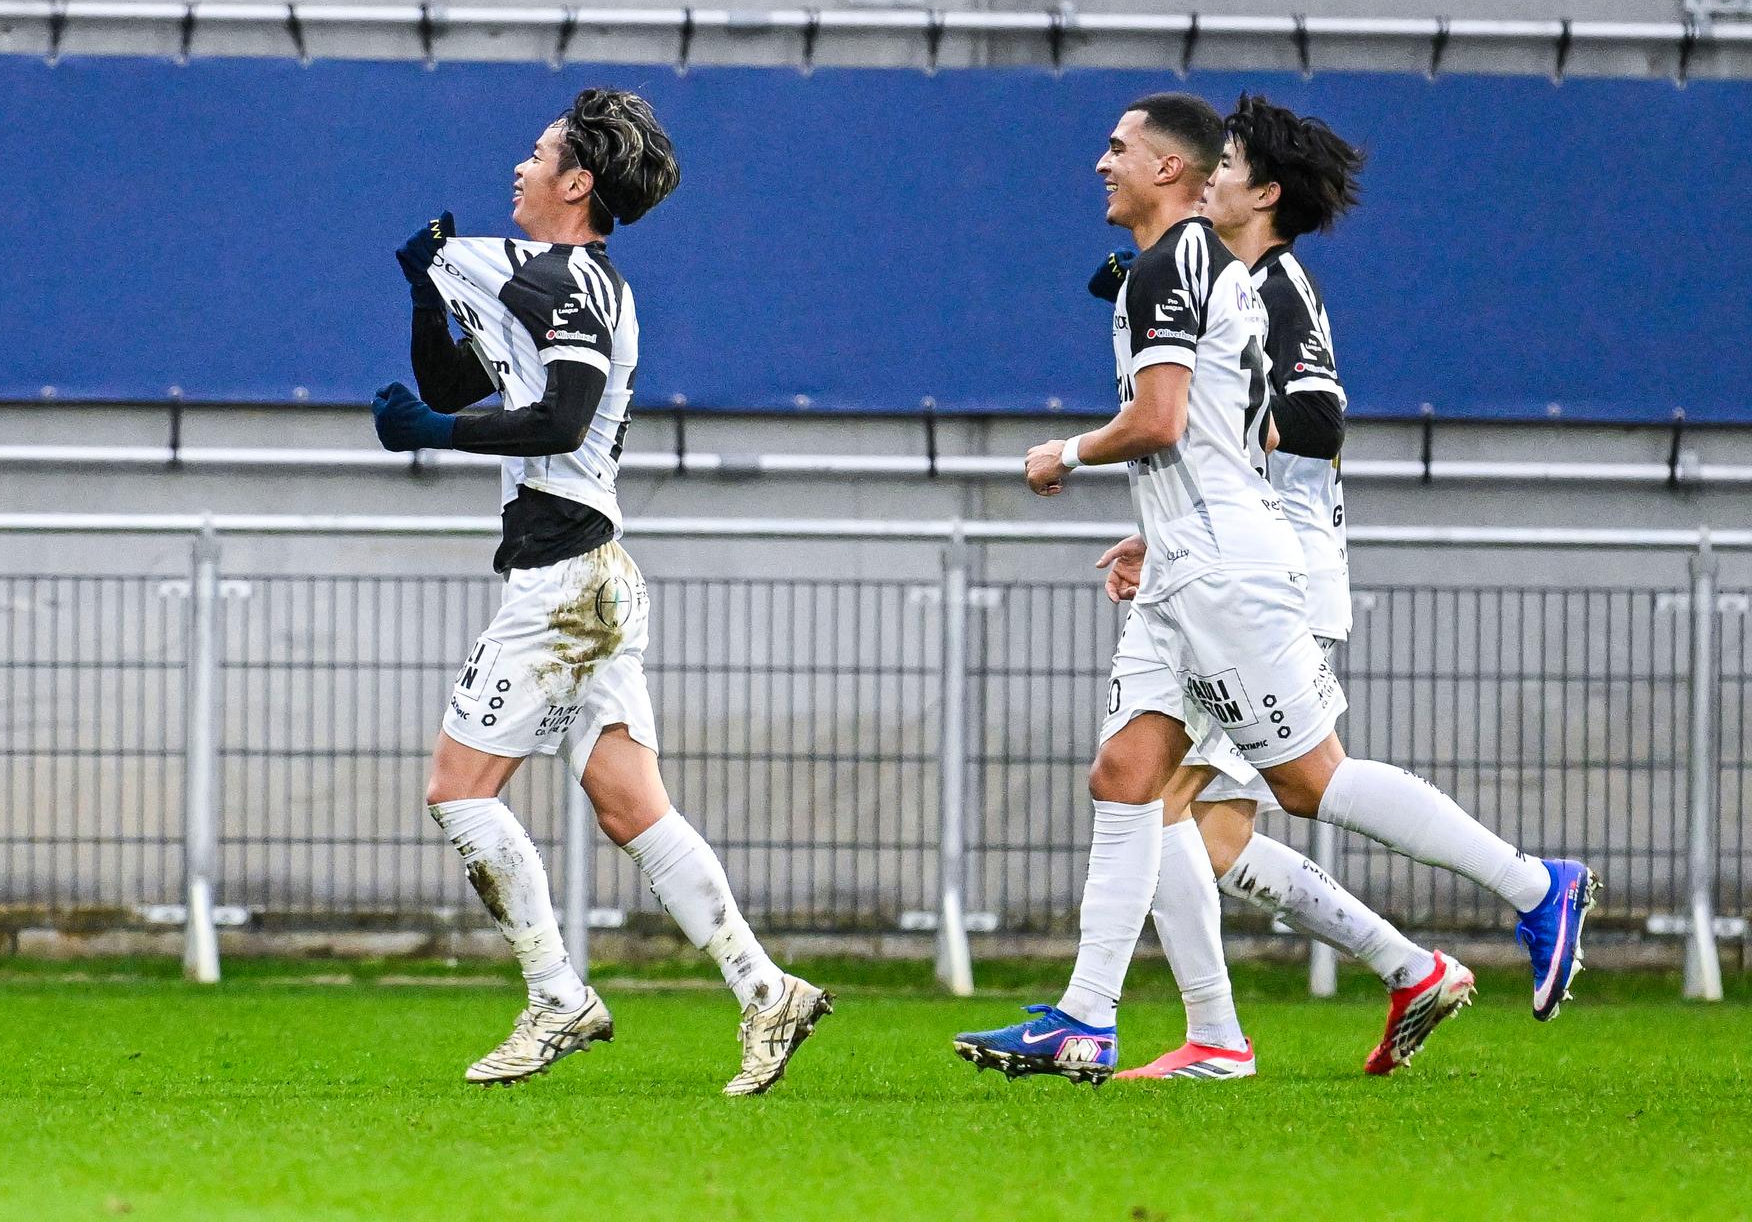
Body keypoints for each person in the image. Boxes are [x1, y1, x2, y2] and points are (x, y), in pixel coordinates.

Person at [952, 92, 1595, 1086]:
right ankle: (1099, 1018)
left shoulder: (1238, 276)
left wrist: (1078, 456)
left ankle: (1527, 888)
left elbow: (1248, 420)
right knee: (1133, 777)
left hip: (1249, 570)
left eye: (1225, 163)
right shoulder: (1215, 271)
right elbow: (1216, 429)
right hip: (1201, 557)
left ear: (1239, 185)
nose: (1107, 164)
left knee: (1300, 785)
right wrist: (1162, 522)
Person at [370, 87, 831, 1095]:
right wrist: (423, 294)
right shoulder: (551, 281)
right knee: (632, 808)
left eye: (538, 154)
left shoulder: (569, 282)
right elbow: (454, 384)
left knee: (458, 790)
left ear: (577, 183)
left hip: (565, 583)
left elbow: (561, 421)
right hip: (593, 576)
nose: (520, 167)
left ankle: (557, 997)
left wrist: (433, 436)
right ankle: (766, 990)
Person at [1104, 94, 1470, 1080]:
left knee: (1172, 801)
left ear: (1263, 194)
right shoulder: (1226, 279)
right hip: (1241, 564)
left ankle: (1216, 1034)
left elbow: (1318, 414)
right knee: (1208, 828)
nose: (1206, 181)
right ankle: (1409, 967)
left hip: (1269, 575)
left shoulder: (1274, 285)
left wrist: (1228, 440)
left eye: (1225, 167)